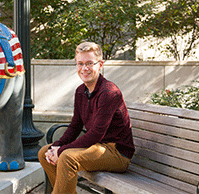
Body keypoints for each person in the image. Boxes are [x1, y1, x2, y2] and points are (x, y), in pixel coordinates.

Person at [38, 41, 135, 194]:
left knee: (67, 157)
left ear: (100, 64)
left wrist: (62, 150)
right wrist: (56, 146)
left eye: (89, 63)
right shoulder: (80, 91)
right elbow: (75, 126)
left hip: (116, 152)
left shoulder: (108, 92)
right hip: (95, 147)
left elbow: (96, 133)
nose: (85, 68)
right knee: (45, 152)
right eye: (80, 63)